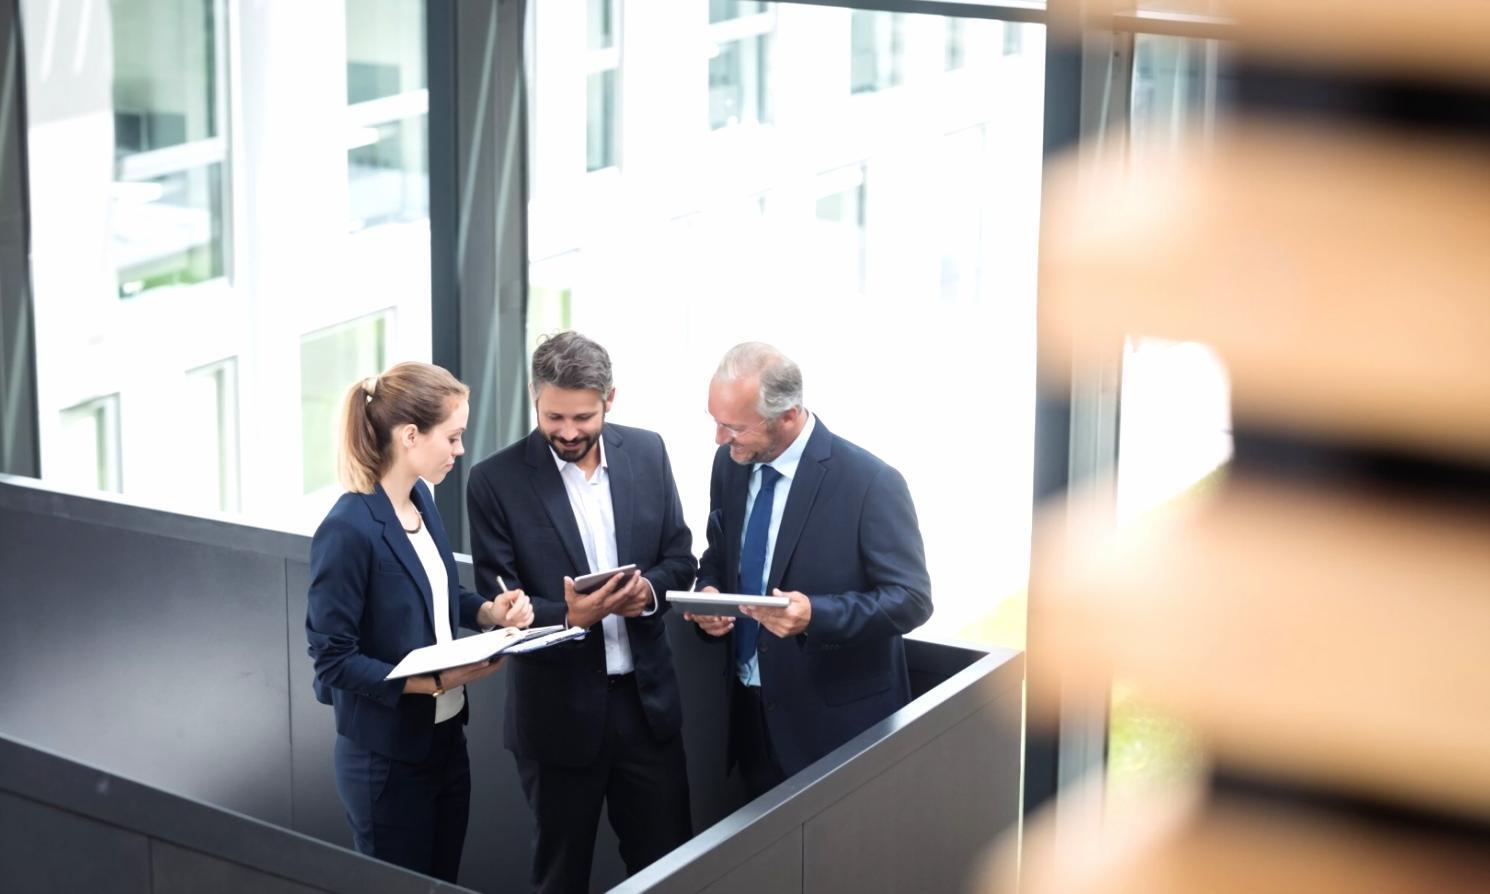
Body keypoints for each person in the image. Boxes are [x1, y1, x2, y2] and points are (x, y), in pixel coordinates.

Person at [466, 331, 696, 893]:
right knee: (559, 878)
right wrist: (570, 618)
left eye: (583, 417)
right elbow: (504, 607)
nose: (568, 432)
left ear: (610, 400)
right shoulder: (494, 481)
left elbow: (679, 557)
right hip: (556, 720)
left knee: (671, 871)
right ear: (534, 398)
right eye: (554, 416)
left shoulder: (648, 452)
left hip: (648, 712)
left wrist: (648, 596)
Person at [306, 361, 534, 882]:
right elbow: (332, 661)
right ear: (411, 436)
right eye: (453, 438)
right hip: (385, 760)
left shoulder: (422, 501)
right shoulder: (347, 529)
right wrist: (430, 683)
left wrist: (487, 612)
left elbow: (441, 592)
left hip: (445, 741)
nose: (459, 451)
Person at [687, 342, 933, 798]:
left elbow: (912, 600)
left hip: (836, 730)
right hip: (748, 715)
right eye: (716, 422)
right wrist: (709, 594)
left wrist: (815, 615)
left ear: (787, 415)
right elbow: (718, 552)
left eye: (734, 427)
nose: (719, 439)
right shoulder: (731, 463)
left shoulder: (871, 483)